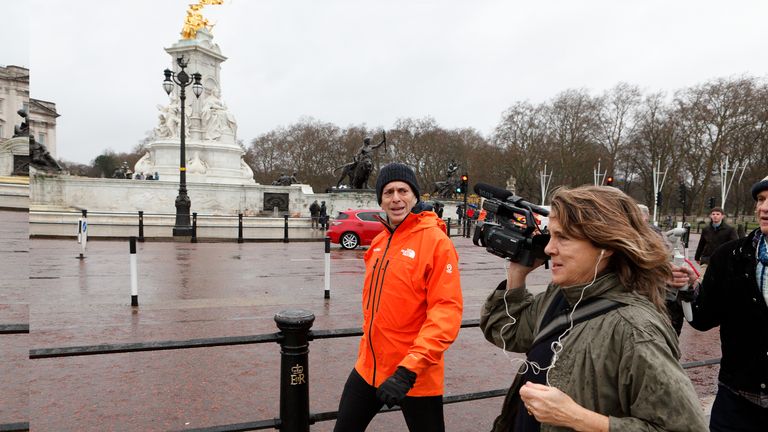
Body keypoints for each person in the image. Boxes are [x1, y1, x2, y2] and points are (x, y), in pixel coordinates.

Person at [480, 185, 707, 432]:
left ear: (606, 245)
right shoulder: (562, 294)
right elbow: (509, 333)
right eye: (552, 235)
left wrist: (577, 418)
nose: (548, 248)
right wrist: (517, 273)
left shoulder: (634, 329)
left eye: (563, 238)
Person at [334, 163, 463, 432]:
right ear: (380, 199)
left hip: (414, 373)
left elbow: (445, 312)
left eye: (403, 190)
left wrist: (408, 370)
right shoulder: (380, 242)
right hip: (368, 366)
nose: (396, 198)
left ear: (415, 196)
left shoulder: (437, 242)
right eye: (388, 192)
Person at [676, 175, 768, 431]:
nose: (764, 207)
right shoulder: (729, 258)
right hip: (736, 402)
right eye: (761, 199)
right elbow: (703, 318)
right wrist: (692, 288)